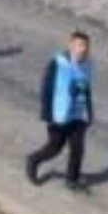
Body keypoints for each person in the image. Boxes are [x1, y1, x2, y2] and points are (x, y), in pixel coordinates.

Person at [26, 31, 96, 193]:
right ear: (71, 45)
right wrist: (47, 114)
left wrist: (89, 113)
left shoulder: (88, 64)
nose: (83, 49)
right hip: (59, 115)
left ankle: (71, 179)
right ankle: (33, 160)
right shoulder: (57, 64)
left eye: (85, 46)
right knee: (55, 147)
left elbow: (86, 89)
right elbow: (46, 89)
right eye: (79, 45)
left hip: (78, 116)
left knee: (77, 149)